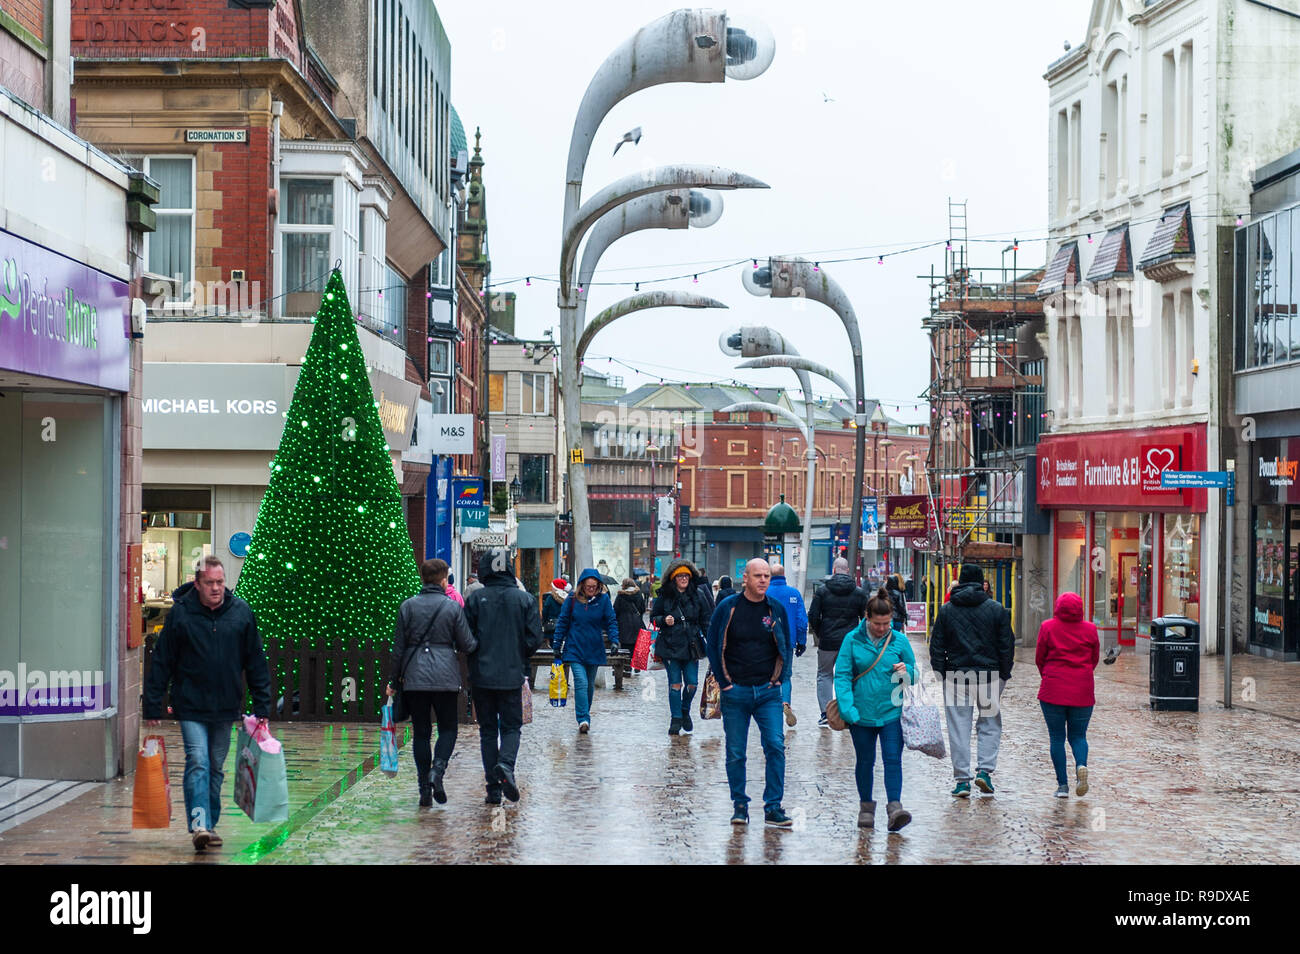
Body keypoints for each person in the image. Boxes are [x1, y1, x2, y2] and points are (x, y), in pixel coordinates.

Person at [143, 555, 272, 851]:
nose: (216, 588)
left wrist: (262, 706)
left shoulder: (240, 613)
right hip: (190, 704)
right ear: (197, 584)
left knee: (216, 767)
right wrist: (152, 704)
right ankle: (199, 823)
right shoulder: (181, 614)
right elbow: (162, 661)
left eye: (220, 582)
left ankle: (210, 825)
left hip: (225, 706)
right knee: (198, 761)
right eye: (210, 583)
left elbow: (255, 662)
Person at [705, 558, 793, 828]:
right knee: (735, 752)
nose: (763, 580)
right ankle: (740, 805)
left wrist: (781, 679)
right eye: (758, 576)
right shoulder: (728, 607)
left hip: (767, 692)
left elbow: (786, 645)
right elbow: (712, 644)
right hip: (736, 691)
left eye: (767, 575)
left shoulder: (775, 608)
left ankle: (773, 807)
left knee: (776, 747)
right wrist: (725, 682)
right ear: (745, 578)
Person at [386, 558, 477, 807]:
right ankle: (438, 769)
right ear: (443, 580)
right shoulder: (452, 608)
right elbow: (467, 644)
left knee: (421, 733)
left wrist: (393, 680)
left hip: (415, 678)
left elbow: (398, 649)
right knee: (448, 728)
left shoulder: (407, 607)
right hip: (445, 677)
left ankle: (424, 787)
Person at [463, 548, 544, 804]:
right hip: (512, 673)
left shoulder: (476, 599)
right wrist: (519, 656)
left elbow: (466, 636)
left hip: (482, 675)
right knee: (511, 727)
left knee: (487, 731)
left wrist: (478, 654)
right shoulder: (525, 600)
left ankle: (493, 789)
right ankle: (506, 764)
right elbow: (534, 638)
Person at [834, 587, 917, 831]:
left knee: (893, 760)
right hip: (860, 714)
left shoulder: (899, 640)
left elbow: (914, 671)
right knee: (865, 761)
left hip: (892, 711)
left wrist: (907, 672)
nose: (882, 628)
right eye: (877, 623)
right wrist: (848, 710)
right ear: (867, 618)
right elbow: (842, 676)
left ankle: (895, 808)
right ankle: (866, 808)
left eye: (886, 623)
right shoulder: (852, 640)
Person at [930, 564, 1015, 797]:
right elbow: (1006, 645)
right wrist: (1004, 673)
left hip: (956, 676)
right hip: (989, 676)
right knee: (989, 724)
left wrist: (940, 672)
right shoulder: (997, 609)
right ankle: (985, 772)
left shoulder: (947, 610)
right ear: (981, 582)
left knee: (959, 726)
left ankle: (962, 781)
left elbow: (937, 644)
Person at [1036, 591, 1100, 798]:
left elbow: (1040, 657)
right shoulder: (1090, 629)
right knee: (1078, 736)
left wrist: (1047, 674)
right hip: (1082, 690)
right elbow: (1094, 658)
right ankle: (1081, 765)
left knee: (1057, 738)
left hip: (1053, 689)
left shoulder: (1048, 627)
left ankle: (1062, 786)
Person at [553, 568, 619, 733]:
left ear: (598, 586)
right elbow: (563, 621)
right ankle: (583, 718)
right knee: (581, 682)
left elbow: (611, 621)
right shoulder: (572, 599)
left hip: (594, 648)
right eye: (588, 586)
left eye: (594, 586)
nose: (591, 589)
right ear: (582, 585)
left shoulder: (603, 600)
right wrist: (557, 643)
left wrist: (614, 640)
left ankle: (585, 713)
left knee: (589, 685)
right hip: (574, 647)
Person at [649, 559, 711, 736]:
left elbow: (706, 620)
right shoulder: (664, 596)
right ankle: (675, 718)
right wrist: (663, 620)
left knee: (692, 684)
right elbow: (653, 618)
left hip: (692, 646)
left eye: (686, 576)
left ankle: (685, 710)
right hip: (670, 645)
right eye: (680, 576)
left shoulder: (698, 595)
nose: (683, 579)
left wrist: (712, 643)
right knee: (675, 684)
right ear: (673, 578)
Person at [807, 558, 869, 728]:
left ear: (834, 570)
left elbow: (813, 616)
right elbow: (866, 618)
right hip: (851, 642)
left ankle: (826, 714)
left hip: (827, 641)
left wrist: (820, 633)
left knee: (824, 675)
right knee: (850, 675)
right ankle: (848, 711)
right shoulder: (859, 592)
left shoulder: (822, 591)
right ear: (847, 570)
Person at [766, 563, 807, 726]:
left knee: (768, 674)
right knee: (786, 676)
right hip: (788, 642)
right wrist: (801, 642)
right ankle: (785, 703)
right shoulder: (794, 594)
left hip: (767, 642)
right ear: (784, 575)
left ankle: (769, 705)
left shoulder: (765, 593)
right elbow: (802, 621)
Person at [614, 578, 647, 657]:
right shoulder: (638, 594)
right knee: (636, 643)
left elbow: (615, 610)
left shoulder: (620, 595)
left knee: (625, 646)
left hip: (623, 624)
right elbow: (642, 609)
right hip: (637, 622)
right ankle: (636, 663)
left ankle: (626, 664)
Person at [541, 578, 569, 648]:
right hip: (565, 626)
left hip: (552, 628)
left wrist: (544, 621)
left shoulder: (550, 598)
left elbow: (545, 611)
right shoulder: (568, 598)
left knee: (553, 647)